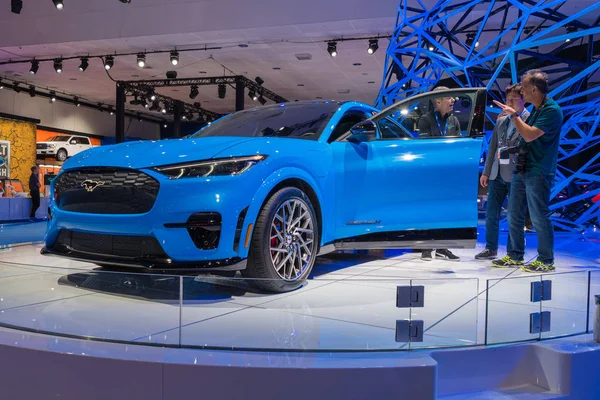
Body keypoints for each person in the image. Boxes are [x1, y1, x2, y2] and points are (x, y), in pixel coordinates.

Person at [492, 69, 563, 273]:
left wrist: (514, 116)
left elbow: (530, 135)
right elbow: (524, 139)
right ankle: (515, 255)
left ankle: (546, 260)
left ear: (533, 88)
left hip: (539, 170)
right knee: (514, 213)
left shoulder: (551, 110)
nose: (521, 92)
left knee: (539, 215)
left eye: (523, 88)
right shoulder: (536, 110)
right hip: (523, 168)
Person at [475, 84, 529, 260]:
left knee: (515, 215)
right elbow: (493, 149)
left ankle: (513, 252)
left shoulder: (530, 119)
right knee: (491, 213)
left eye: (513, 99)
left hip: (517, 174)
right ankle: (490, 248)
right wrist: (485, 172)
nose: (509, 103)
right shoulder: (501, 121)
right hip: (497, 173)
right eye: (508, 99)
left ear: (523, 99)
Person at [418, 86, 461, 262]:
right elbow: (425, 148)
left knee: (445, 209)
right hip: (430, 172)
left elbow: (458, 145)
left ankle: (443, 247)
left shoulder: (454, 120)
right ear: (438, 101)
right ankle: (426, 247)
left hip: (448, 173)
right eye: (449, 97)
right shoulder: (425, 120)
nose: (453, 101)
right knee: (428, 208)